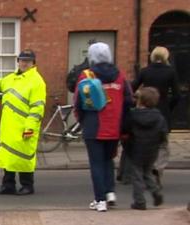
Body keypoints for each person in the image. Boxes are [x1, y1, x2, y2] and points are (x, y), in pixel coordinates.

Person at [0, 49, 46, 195]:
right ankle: (8, 185)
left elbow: (37, 108)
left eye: (28, 61)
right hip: (9, 126)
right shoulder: (12, 78)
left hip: (24, 126)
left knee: (24, 156)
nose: (24, 63)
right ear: (18, 61)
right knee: (9, 155)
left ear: (33, 63)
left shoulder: (37, 81)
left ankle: (27, 185)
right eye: (22, 60)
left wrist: (30, 127)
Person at [74, 42, 133, 212]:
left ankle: (100, 200)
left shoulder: (87, 76)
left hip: (94, 125)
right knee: (108, 160)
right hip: (114, 126)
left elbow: (78, 101)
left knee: (96, 163)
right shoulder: (120, 76)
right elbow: (129, 100)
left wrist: (81, 120)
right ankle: (110, 193)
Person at [132, 46, 180, 187]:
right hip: (163, 111)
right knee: (162, 144)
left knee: (144, 141)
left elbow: (133, 87)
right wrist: (169, 106)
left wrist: (138, 102)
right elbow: (177, 95)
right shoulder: (171, 72)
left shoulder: (145, 71)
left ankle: (146, 171)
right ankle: (158, 168)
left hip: (145, 109)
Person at [123, 87, 167, 210]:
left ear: (139, 100)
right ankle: (156, 192)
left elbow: (125, 129)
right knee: (147, 172)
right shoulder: (159, 117)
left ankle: (139, 201)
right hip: (152, 149)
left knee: (137, 175)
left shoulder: (132, 115)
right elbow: (163, 133)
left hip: (136, 148)